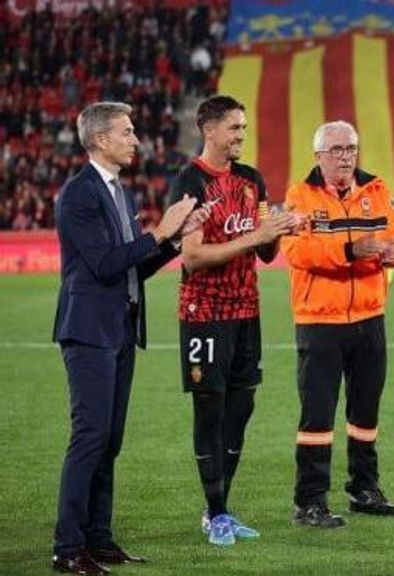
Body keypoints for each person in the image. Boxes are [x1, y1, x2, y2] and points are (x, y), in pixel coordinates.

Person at [52, 101, 208, 574]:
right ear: (100, 140)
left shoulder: (119, 192)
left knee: (109, 440)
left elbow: (131, 265)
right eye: (127, 132)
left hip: (119, 327)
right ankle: (67, 546)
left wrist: (173, 242)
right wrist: (161, 230)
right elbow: (102, 264)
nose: (137, 139)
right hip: (89, 330)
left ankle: (98, 539)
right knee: (89, 436)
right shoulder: (78, 194)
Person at [168, 95, 300, 546]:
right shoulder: (189, 182)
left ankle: (217, 510)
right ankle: (218, 512)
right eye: (234, 128)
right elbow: (193, 256)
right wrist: (255, 237)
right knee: (210, 408)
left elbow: (265, 251)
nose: (241, 136)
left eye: (244, 128)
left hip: (247, 311)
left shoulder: (251, 179)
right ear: (209, 130)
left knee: (241, 409)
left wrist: (277, 231)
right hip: (204, 313)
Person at [281, 120, 394, 528]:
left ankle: (364, 488)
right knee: (317, 415)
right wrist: (351, 249)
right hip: (320, 321)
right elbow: (297, 250)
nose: (345, 156)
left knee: (365, 411)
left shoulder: (376, 190)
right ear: (318, 155)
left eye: (351, 148)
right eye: (336, 149)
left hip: (370, 319)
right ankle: (310, 501)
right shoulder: (299, 195)